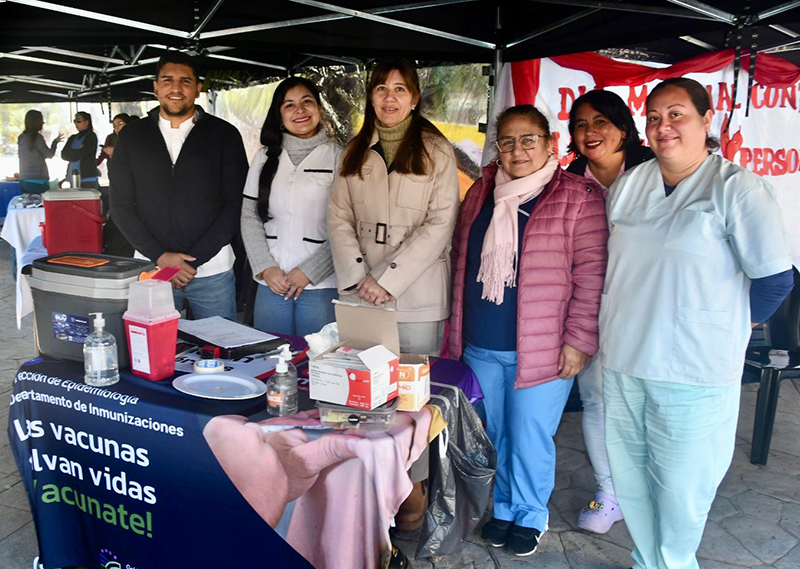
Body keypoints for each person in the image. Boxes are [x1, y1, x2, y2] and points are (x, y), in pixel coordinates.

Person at [601, 77, 793, 569]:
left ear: (707, 121)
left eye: (677, 114)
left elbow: (774, 281)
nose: (664, 126)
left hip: (694, 371)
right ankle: (647, 561)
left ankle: (675, 563)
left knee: (683, 490)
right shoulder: (630, 186)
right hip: (625, 358)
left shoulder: (736, 189)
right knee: (633, 477)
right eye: (655, 117)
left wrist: (727, 327)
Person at [448, 104, 608, 556]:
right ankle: (502, 508)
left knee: (531, 435)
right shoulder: (481, 192)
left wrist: (579, 342)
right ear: (497, 148)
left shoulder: (578, 196)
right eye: (508, 141)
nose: (518, 150)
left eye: (528, 140)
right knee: (494, 433)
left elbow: (591, 277)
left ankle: (530, 513)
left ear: (550, 143)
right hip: (482, 342)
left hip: (543, 347)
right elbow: (463, 263)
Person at [328, 58, 459, 356]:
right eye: (382, 88)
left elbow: (440, 224)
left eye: (400, 89)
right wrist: (362, 280)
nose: (390, 98)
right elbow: (339, 218)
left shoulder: (437, 150)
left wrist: (387, 280)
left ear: (414, 99)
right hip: (362, 294)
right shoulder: (352, 152)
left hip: (419, 297)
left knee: (415, 394)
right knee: (364, 388)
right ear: (371, 97)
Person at [566, 89, 654, 534]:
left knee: (648, 401)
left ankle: (653, 488)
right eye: (581, 124)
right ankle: (609, 494)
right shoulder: (568, 181)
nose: (590, 131)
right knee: (599, 400)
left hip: (648, 310)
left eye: (601, 121)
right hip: (591, 309)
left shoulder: (654, 172)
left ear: (623, 127)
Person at [110, 52, 248, 320]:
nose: (176, 88)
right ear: (155, 87)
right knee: (156, 356)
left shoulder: (224, 135)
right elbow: (121, 205)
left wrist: (190, 261)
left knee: (220, 353)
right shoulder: (132, 136)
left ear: (198, 89)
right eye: (167, 80)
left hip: (212, 272)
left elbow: (235, 203)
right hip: (151, 270)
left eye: (185, 81)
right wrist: (161, 256)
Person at [241, 77, 341, 337]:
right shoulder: (264, 158)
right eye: (289, 105)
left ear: (319, 108)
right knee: (272, 360)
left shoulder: (339, 156)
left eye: (307, 102)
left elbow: (347, 226)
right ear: (279, 115)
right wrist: (265, 267)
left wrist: (311, 271)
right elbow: (250, 218)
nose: (300, 110)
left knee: (317, 362)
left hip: (321, 284)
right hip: (272, 282)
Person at [18, 109, 63, 182]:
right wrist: (55, 142)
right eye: (41, 120)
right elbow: (49, 154)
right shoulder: (37, 137)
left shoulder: (21, 137)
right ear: (36, 122)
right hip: (38, 179)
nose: (43, 122)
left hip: (24, 179)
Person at [61, 111, 99, 188]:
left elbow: (84, 152)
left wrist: (71, 153)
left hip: (87, 178)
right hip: (72, 177)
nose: (76, 123)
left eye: (79, 121)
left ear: (86, 122)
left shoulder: (91, 136)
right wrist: (78, 151)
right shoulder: (72, 138)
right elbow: (64, 155)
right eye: (75, 121)